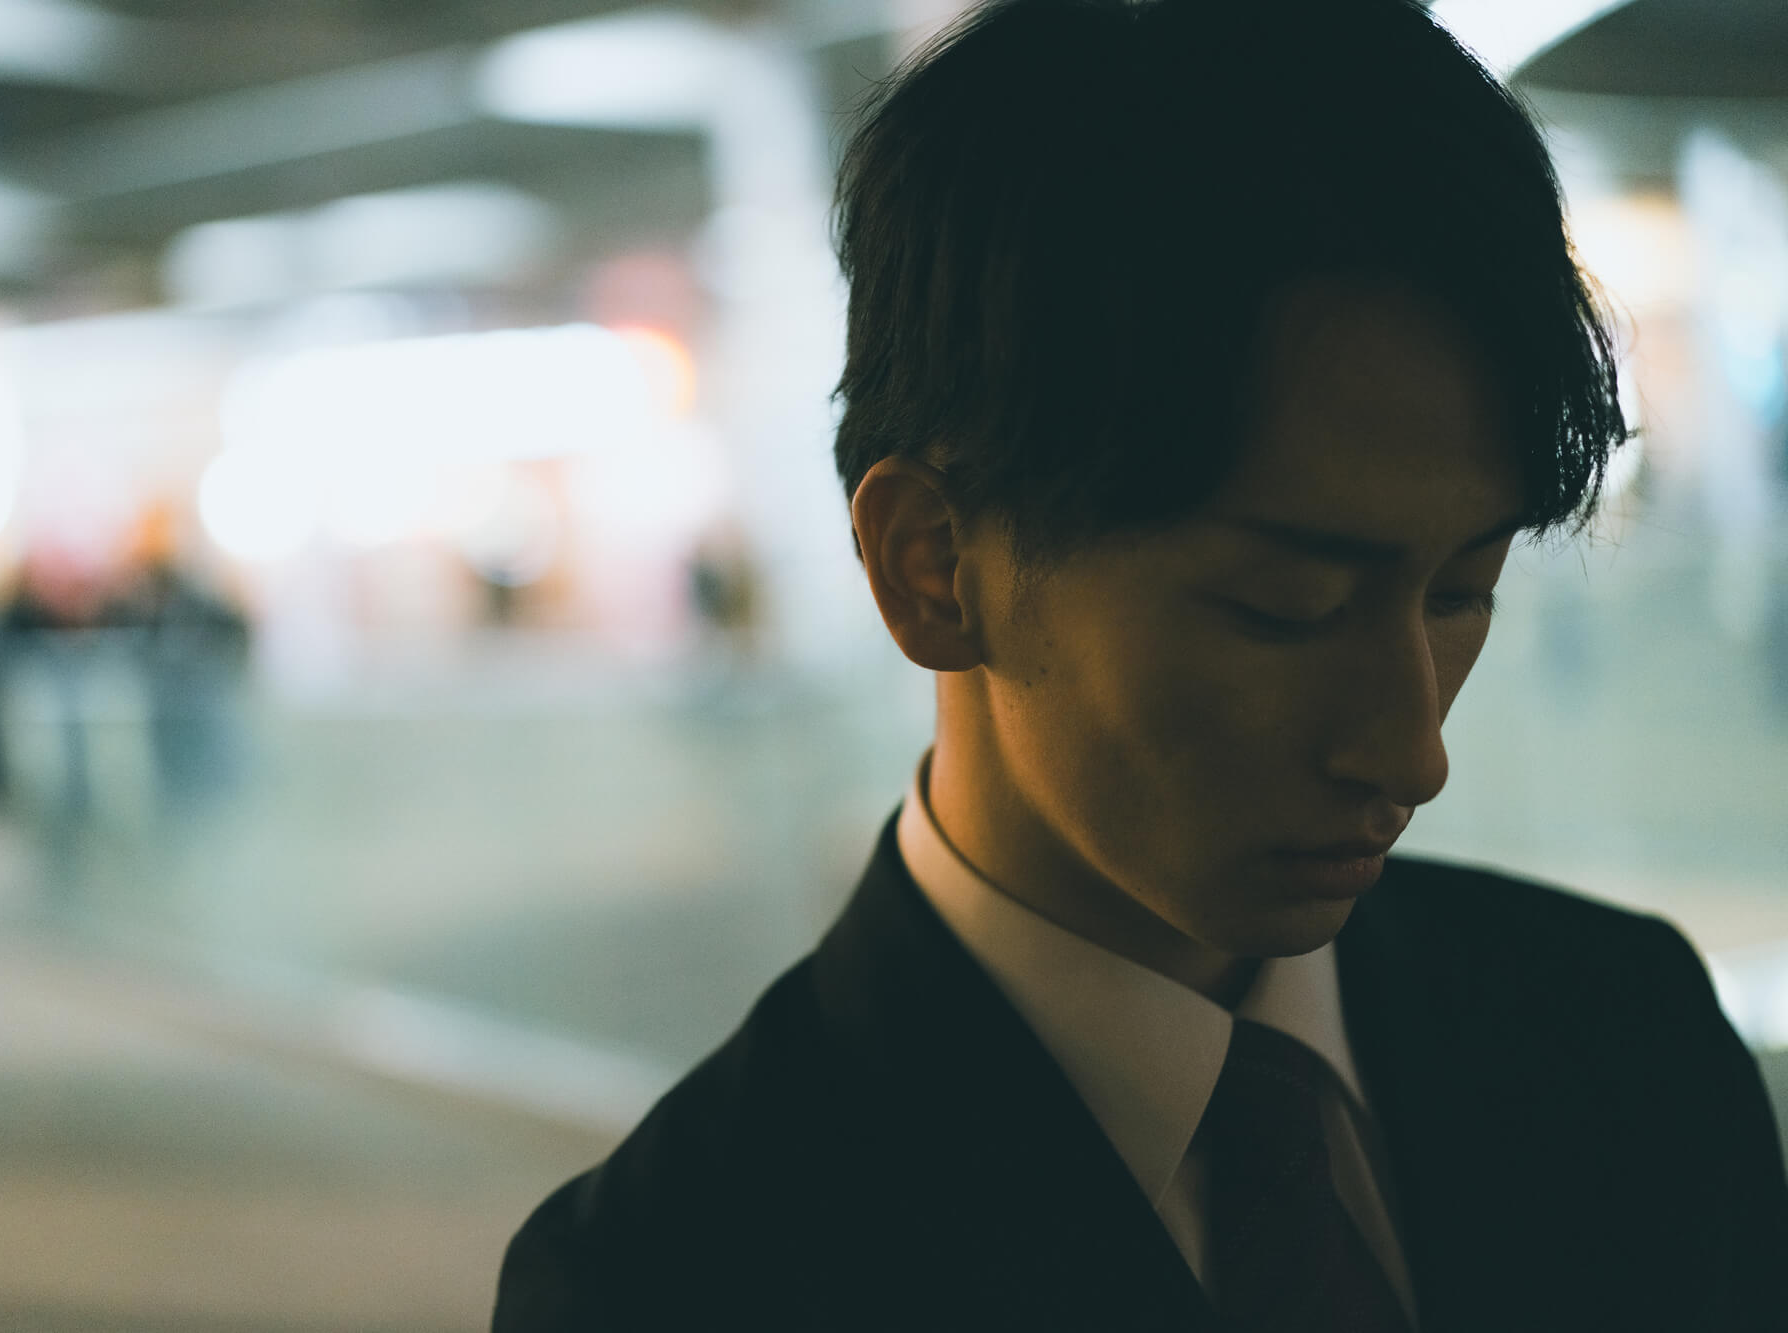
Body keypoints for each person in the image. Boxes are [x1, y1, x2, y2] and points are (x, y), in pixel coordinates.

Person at [493, 0, 1788, 1328]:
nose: (1413, 753)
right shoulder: (674, 1281)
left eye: (1463, 590)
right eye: (1284, 607)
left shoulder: (1630, 1034)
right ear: (935, 567)